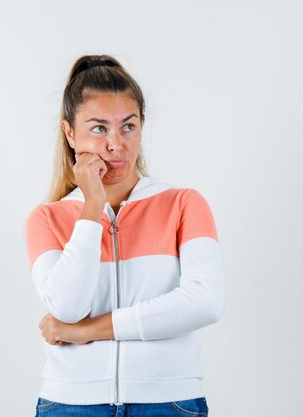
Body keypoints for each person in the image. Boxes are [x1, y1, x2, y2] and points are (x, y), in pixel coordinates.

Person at [24, 54, 226, 417]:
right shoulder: (47, 219)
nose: (116, 145)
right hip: (71, 406)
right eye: (99, 128)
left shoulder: (183, 204)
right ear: (70, 132)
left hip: (169, 403)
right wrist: (91, 208)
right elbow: (67, 308)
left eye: (128, 127)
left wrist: (87, 332)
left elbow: (205, 302)